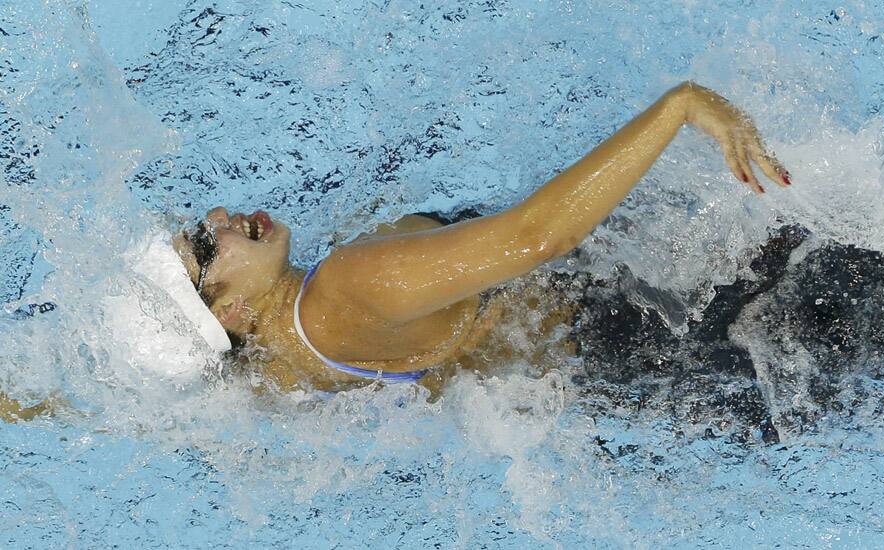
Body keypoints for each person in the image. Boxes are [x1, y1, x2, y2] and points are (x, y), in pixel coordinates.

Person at [0, 82, 790, 419]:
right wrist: (683, 106)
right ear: (230, 309)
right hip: (683, 308)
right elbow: (539, 237)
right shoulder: (347, 286)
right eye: (206, 246)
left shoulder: (267, 370)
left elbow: (109, 403)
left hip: (641, 377)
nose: (217, 216)